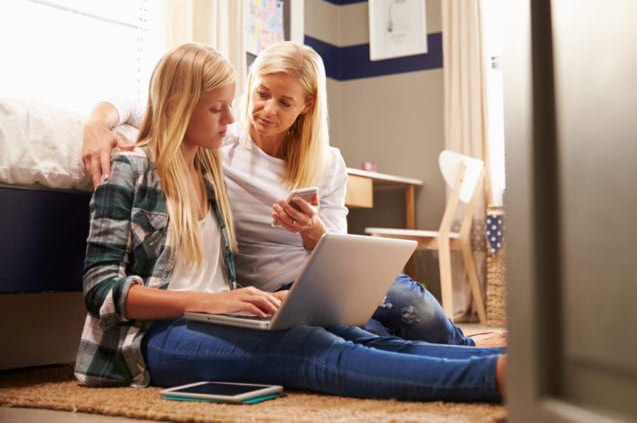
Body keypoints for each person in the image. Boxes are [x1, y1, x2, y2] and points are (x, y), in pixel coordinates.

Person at [75, 41, 506, 402]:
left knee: (361, 336)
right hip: (149, 338)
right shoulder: (134, 169)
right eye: (220, 109)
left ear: (306, 106)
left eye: (230, 107)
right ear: (181, 107)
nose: (235, 119)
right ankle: (493, 380)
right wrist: (99, 120)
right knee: (311, 348)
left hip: (232, 310)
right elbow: (101, 291)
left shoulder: (207, 170)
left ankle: (505, 362)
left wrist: (263, 279)